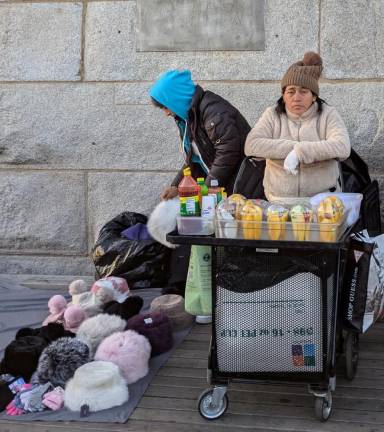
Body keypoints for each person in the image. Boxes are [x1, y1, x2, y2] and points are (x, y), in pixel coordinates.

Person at [244, 52, 351, 202]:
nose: (296, 97)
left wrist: (302, 152)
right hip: (279, 201)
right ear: (283, 95)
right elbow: (251, 145)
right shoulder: (272, 115)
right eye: (291, 91)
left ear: (314, 96)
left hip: (322, 201)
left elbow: (342, 147)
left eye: (303, 91)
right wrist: (293, 148)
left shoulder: (328, 114)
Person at [149, 69, 251, 199]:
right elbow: (195, 158)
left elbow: (227, 152)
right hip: (226, 185)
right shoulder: (188, 118)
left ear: (176, 98)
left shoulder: (213, 110)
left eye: (165, 107)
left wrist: (207, 188)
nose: (167, 113)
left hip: (243, 184)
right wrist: (176, 185)